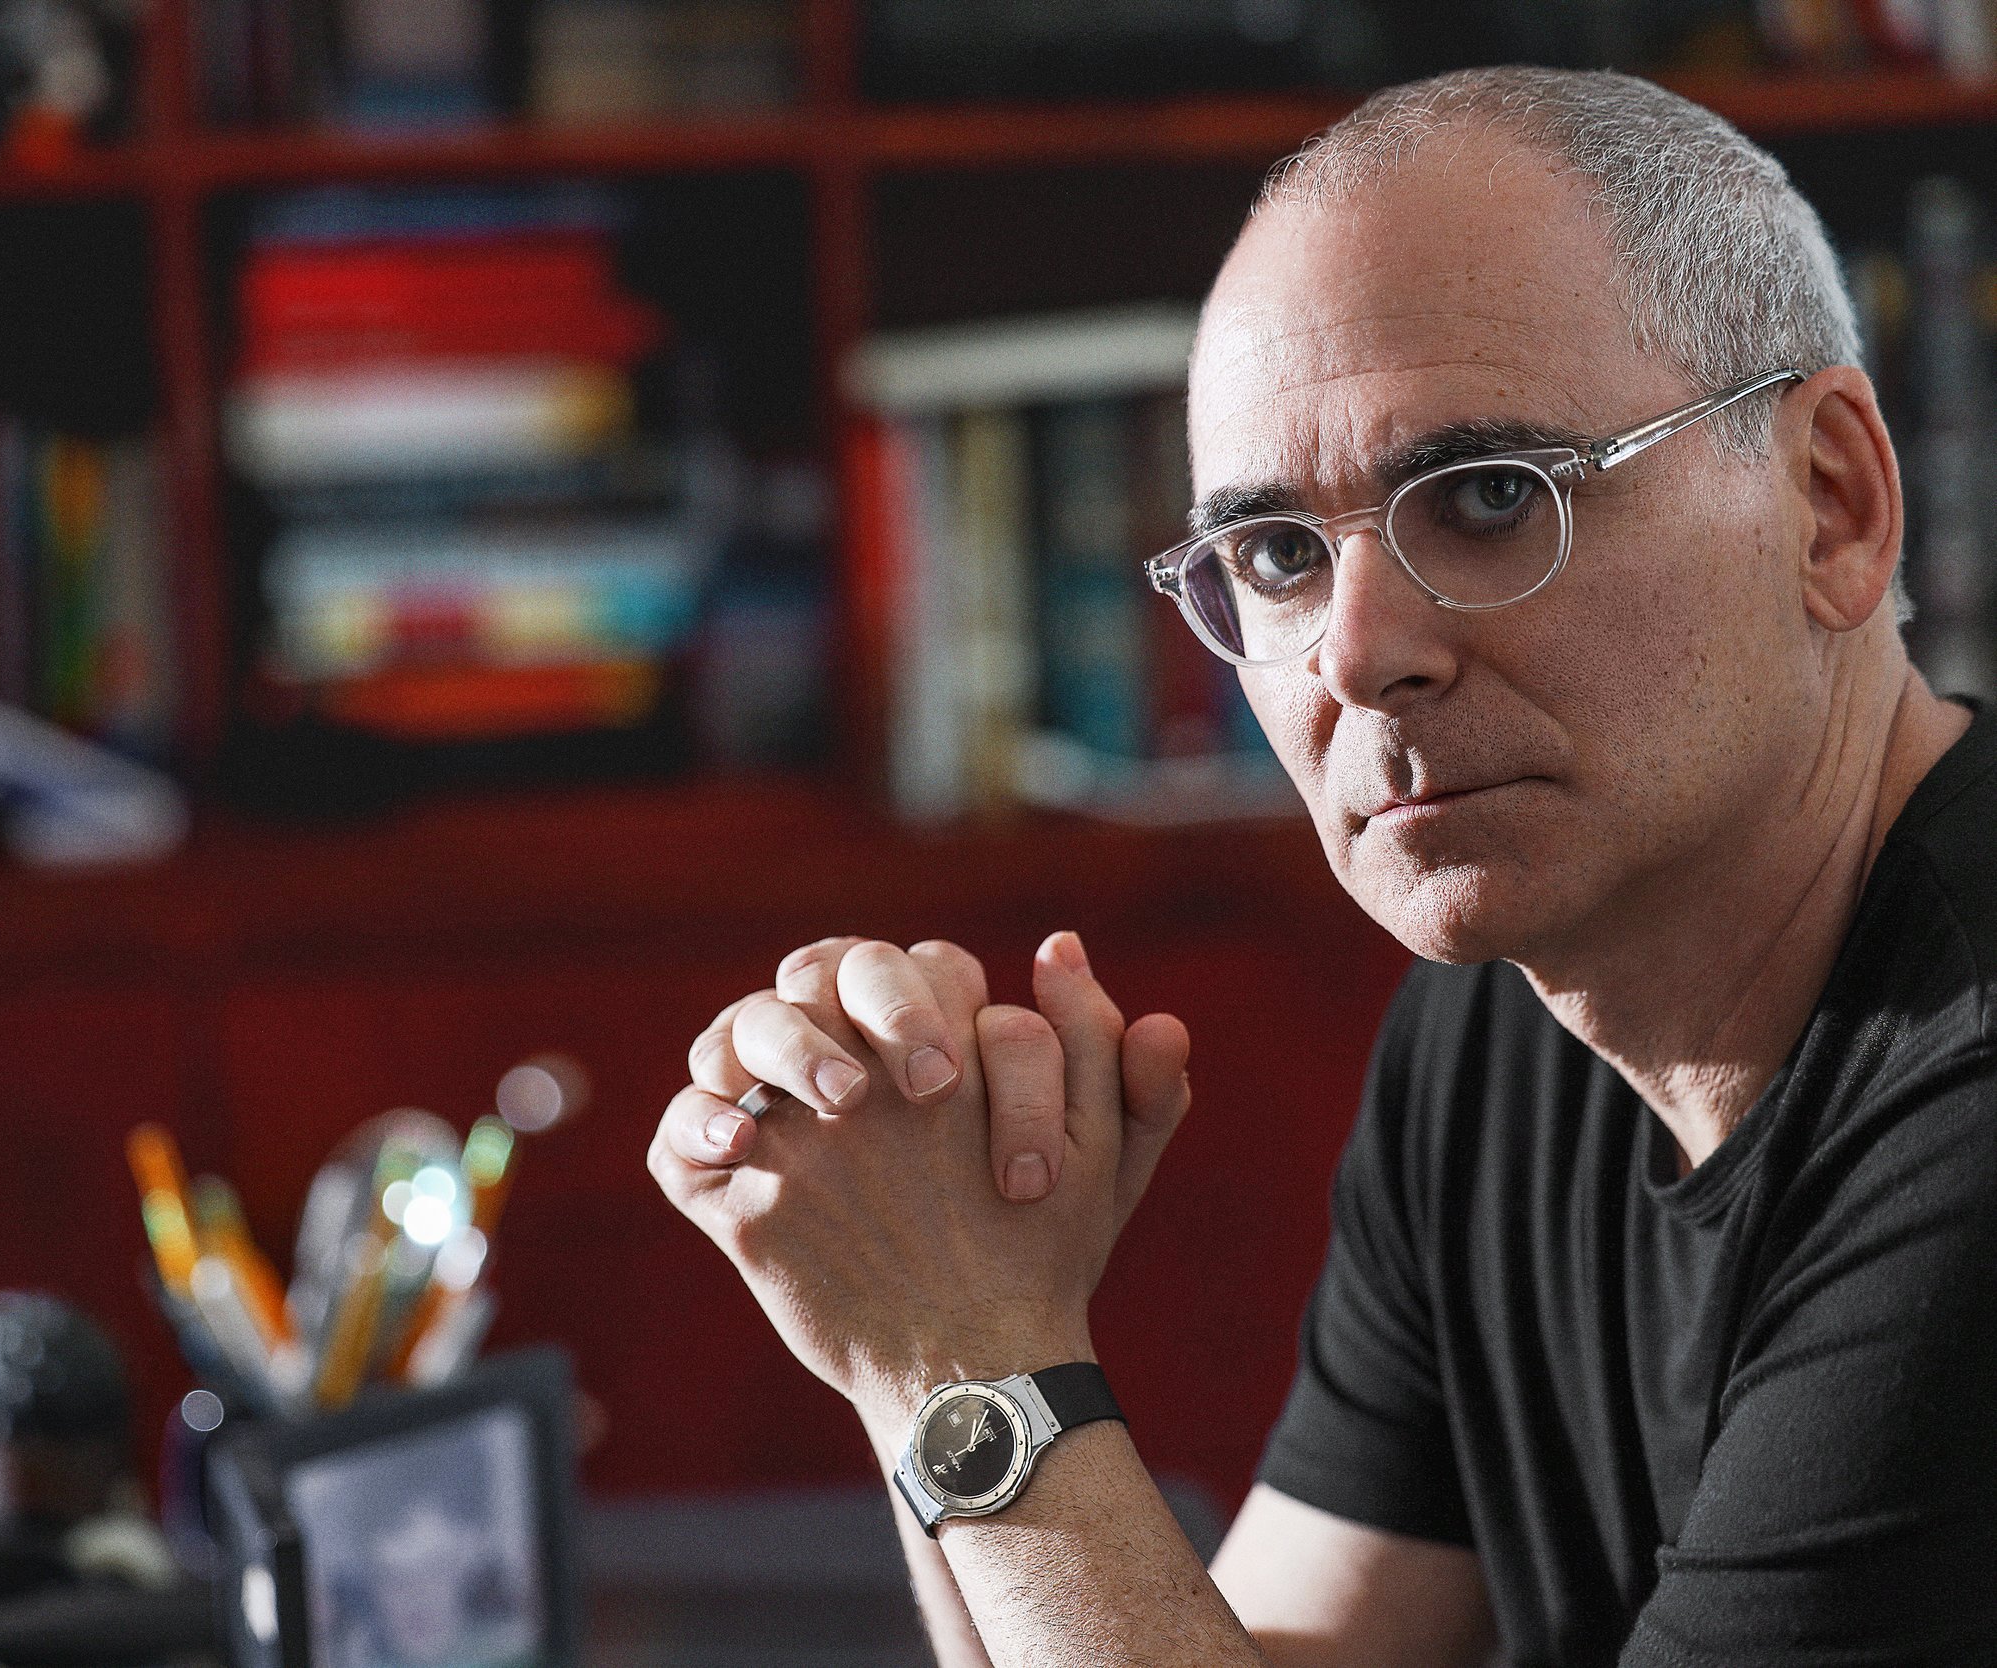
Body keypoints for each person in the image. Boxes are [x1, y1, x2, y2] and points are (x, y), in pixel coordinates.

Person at [648, 64, 1997, 1667]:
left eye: (1493, 497)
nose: (1357, 654)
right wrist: (916, 1314)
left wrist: (967, 1367)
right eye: (1278, 556)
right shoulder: (1512, 1015)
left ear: (1831, 504)